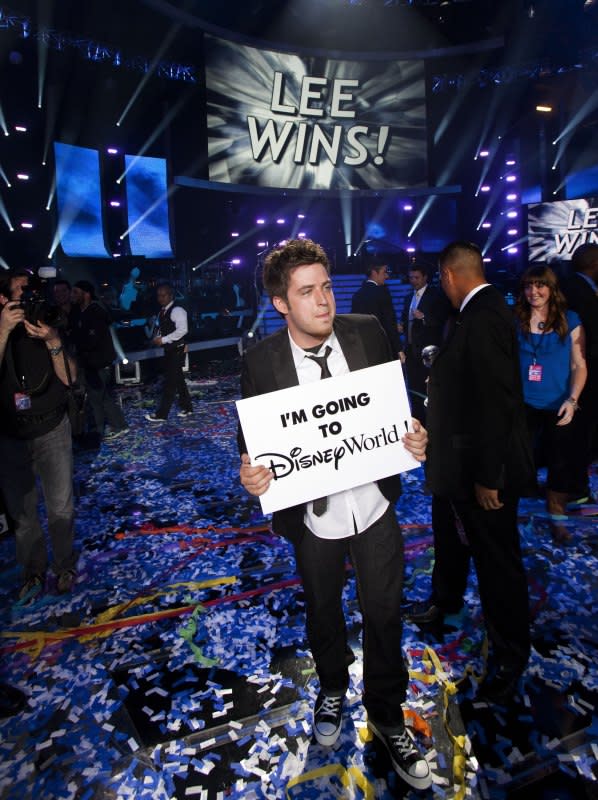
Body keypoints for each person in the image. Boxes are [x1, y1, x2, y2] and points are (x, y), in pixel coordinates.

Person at [237, 239, 432, 790]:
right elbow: (249, 444)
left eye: (326, 286)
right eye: (307, 292)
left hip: (373, 505)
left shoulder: (368, 330)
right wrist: (249, 473)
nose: (324, 301)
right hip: (312, 517)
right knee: (323, 611)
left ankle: (388, 715)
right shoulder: (261, 361)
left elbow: (401, 407)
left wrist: (418, 435)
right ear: (281, 304)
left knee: (385, 613)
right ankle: (330, 686)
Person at [410, 241, 535, 704]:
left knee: (497, 560)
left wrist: (490, 477)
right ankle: (446, 599)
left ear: (447, 275)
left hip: (483, 469)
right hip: (456, 464)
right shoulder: (472, 315)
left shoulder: (484, 317)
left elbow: (495, 406)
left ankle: (511, 653)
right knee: (449, 532)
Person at [0, 272, 78, 598]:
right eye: (21, 293)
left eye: (33, 292)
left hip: (52, 428)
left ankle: (64, 566)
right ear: (4, 299)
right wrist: (3, 329)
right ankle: (33, 571)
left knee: (60, 507)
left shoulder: (46, 323)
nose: (29, 299)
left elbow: (70, 379)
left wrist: (53, 341)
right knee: (23, 514)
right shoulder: (3, 329)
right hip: (11, 435)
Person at [515, 265, 587, 542]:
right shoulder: (516, 320)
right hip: (524, 404)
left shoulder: (570, 319)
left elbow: (579, 365)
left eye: (540, 285)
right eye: (528, 286)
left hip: (560, 405)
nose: (534, 291)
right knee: (521, 462)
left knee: (560, 466)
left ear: (551, 288)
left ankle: (558, 519)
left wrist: (573, 400)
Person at [561, 243, 598, 501]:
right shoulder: (575, 290)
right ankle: (573, 487)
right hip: (579, 371)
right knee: (577, 433)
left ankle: (575, 485)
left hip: (584, 369)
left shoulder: (578, 288)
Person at [71, 280, 128, 441]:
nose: (72, 296)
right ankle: (119, 425)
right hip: (91, 363)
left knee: (97, 399)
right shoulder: (80, 311)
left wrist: (78, 344)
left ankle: (99, 432)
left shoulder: (95, 311)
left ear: (86, 294)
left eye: (76, 292)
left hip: (98, 363)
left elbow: (93, 339)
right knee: (103, 397)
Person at [398, 265, 450, 422]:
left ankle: (432, 424)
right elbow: (407, 322)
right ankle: (416, 421)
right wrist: (402, 327)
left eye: (416, 277)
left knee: (428, 391)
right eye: (411, 277)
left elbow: (441, 320)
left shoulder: (436, 296)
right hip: (411, 352)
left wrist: (424, 317)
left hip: (428, 354)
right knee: (413, 390)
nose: (413, 281)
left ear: (425, 277)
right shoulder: (409, 297)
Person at [145, 282, 193, 422]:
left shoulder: (177, 310)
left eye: (163, 295)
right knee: (178, 380)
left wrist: (164, 339)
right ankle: (187, 407)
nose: (160, 298)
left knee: (170, 382)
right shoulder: (163, 311)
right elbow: (166, 328)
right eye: (158, 295)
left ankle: (162, 414)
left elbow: (183, 330)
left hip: (177, 349)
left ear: (170, 295)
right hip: (170, 349)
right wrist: (160, 338)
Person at [350, 260, 401, 357]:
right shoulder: (382, 292)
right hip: (383, 348)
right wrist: (398, 348)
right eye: (384, 272)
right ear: (374, 273)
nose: (387, 276)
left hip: (365, 349)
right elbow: (389, 322)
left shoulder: (357, 295)